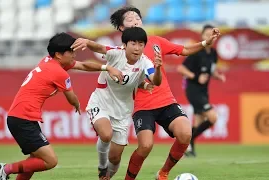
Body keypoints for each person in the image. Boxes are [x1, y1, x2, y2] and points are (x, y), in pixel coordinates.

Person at [95, 6, 220, 180]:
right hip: (142, 107)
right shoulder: (117, 54)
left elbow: (184, 50)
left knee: (185, 133)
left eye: (137, 17)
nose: (135, 20)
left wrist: (207, 43)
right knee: (145, 146)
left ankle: (163, 173)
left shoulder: (155, 42)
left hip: (166, 101)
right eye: (129, 19)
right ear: (122, 28)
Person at [0, 32, 123, 180]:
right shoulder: (58, 72)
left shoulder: (49, 61)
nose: (74, 54)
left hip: (20, 117)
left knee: (35, 159)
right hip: (23, 119)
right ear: (59, 54)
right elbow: (71, 97)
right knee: (50, 161)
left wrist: (107, 68)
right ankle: (6, 169)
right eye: (71, 51)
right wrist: (76, 104)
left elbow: (83, 65)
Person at [72, 26, 163, 180]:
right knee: (106, 135)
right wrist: (87, 41)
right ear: (125, 45)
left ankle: (107, 177)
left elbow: (155, 80)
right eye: (133, 43)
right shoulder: (115, 54)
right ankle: (102, 167)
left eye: (141, 44)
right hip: (101, 102)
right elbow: (100, 47)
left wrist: (158, 68)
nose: (137, 48)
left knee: (115, 158)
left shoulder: (145, 62)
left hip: (122, 111)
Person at [177, 24, 226, 157]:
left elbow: (211, 70)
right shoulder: (197, 52)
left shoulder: (214, 54)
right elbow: (181, 69)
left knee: (198, 121)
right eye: (207, 34)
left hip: (204, 91)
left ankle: (189, 149)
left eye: (212, 34)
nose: (210, 36)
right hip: (193, 90)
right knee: (213, 117)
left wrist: (218, 76)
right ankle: (188, 140)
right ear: (202, 36)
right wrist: (196, 77)